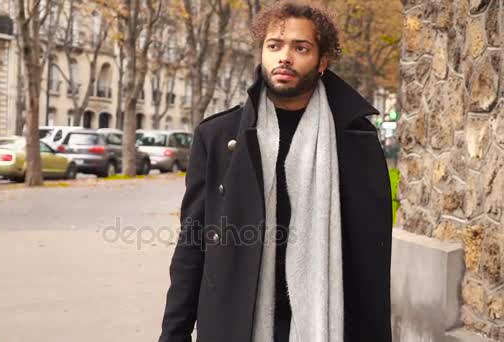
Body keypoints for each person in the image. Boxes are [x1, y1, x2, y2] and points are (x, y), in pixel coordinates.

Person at [158, 2, 392, 342]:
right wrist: (173, 333)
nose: (285, 57)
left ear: (322, 61)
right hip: (237, 321)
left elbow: (371, 263)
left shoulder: (356, 142)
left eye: (301, 48)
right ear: (262, 53)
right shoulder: (218, 137)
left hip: (327, 321)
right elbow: (192, 243)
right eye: (274, 46)